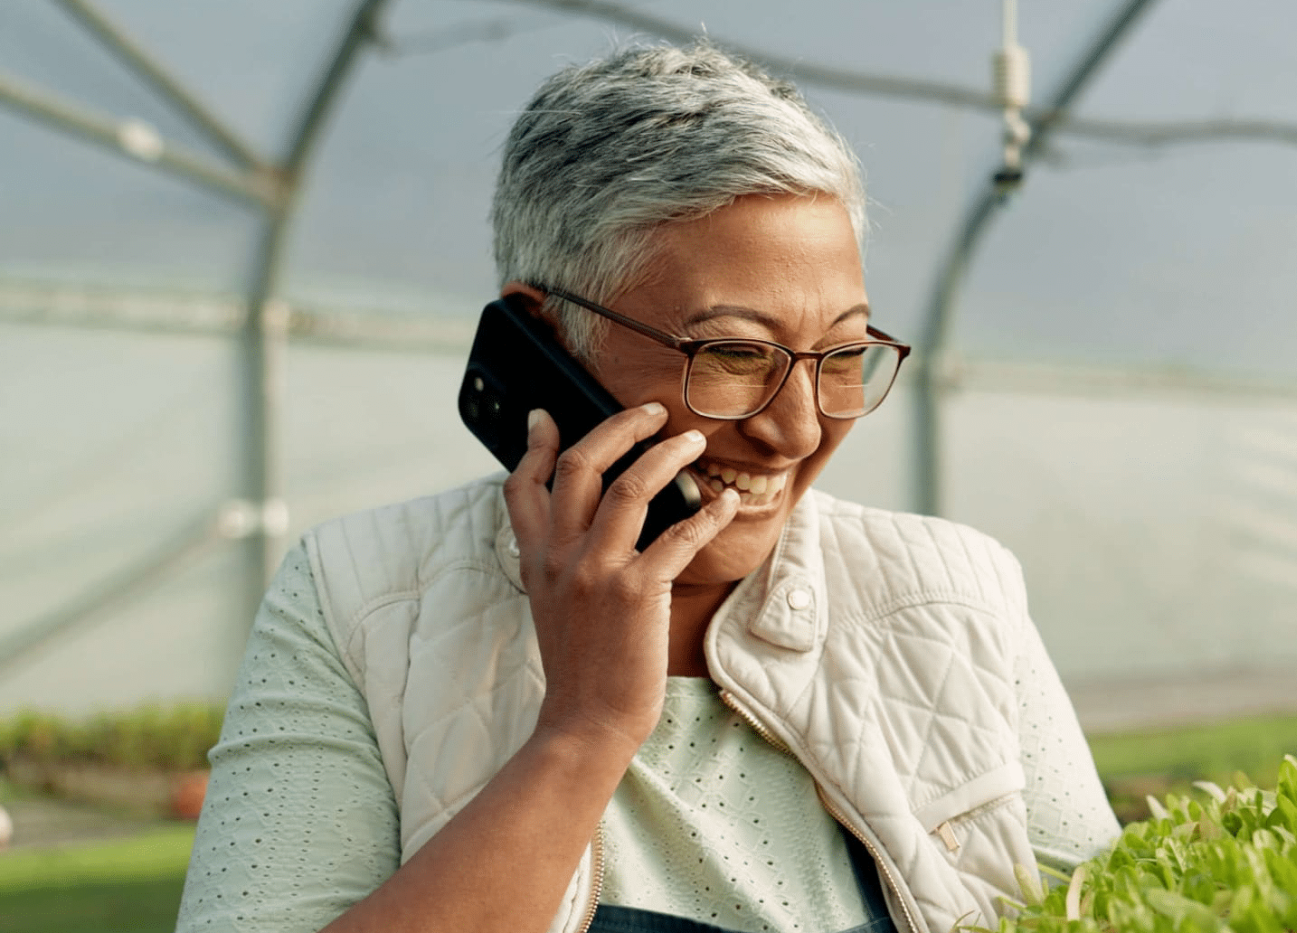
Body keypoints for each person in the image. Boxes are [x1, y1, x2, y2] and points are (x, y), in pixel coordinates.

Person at [176, 41, 1119, 933]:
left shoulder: (954, 588)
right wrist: (585, 727)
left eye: (839, 354)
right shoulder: (360, 598)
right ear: (544, 342)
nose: (794, 430)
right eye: (735, 354)